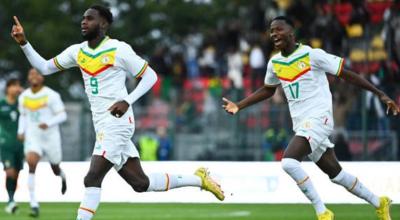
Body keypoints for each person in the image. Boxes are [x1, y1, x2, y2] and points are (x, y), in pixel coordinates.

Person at [11, 5, 224, 220]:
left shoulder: (118, 49)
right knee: (141, 183)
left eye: (90, 18)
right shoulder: (77, 51)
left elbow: (150, 77)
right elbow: (45, 67)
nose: (84, 22)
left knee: (92, 178)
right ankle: (199, 179)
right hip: (102, 124)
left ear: (103, 24)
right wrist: (24, 43)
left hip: (118, 122)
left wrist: (127, 100)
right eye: (83, 18)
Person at [222, 16, 399, 220]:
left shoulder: (312, 55)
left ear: (291, 32)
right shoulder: (275, 63)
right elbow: (268, 90)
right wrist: (239, 105)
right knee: (336, 174)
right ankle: (379, 202)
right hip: (302, 124)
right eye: (271, 31)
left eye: (279, 29)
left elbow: (346, 74)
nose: (274, 34)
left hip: (319, 118)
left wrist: (380, 93)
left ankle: (322, 212)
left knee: (289, 162)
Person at [17, 68, 68, 217]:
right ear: (28, 77)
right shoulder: (24, 96)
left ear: (42, 78)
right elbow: (23, 116)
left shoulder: (51, 95)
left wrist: (49, 123)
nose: (33, 76)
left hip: (51, 137)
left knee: (55, 167)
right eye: (31, 74)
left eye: (37, 74)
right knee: (31, 163)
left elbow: (63, 115)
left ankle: (62, 176)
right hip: (33, 136)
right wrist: (21, 131)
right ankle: (33, 204)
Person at [0, 78, 23, 214]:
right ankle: (10, 200)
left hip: (20, 144)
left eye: (18, 86)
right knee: (9, 171)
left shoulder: (22, 104)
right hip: (5, 143)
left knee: (16, 173)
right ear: (8, 88)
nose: (16, 88)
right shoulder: (1, 104)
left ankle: (12, 199)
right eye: (14, 85)